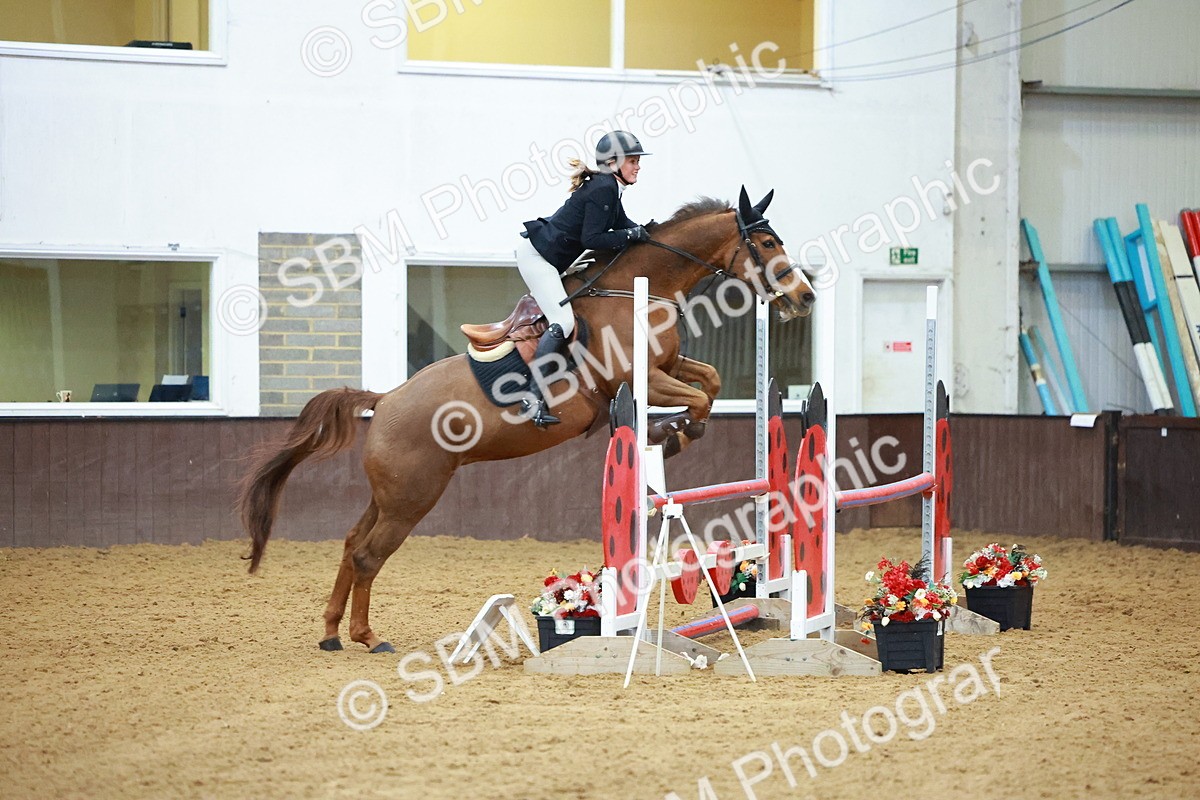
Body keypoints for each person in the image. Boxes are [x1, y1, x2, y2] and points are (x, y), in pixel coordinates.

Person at [515, 130, 652, 428]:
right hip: (538, 259)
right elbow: (594, 238)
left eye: (638, 160)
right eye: (632, 160)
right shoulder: (603, 189)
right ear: (613, 163)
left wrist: (648, 234)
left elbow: (621, 224)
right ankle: (532, 396)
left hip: (553, 260)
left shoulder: (610, 189)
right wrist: (630, 235)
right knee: (563, 322)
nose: (638, 166)